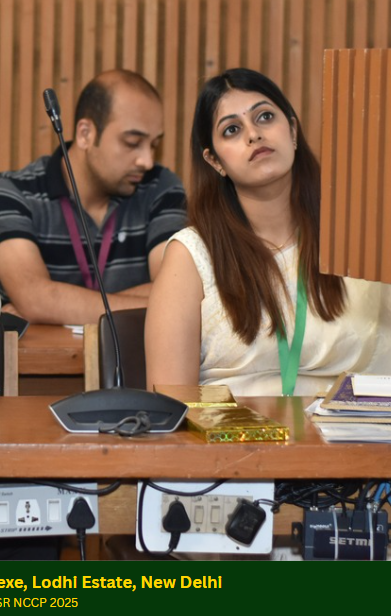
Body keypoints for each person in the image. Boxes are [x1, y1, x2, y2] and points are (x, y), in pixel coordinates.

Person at [145, 68, 391, 396]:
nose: (253, 134)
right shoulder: (192, 255)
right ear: (214, 161)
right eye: (232, 129)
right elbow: (171, 401)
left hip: (358, 426)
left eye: (264, 117)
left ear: (292, 130)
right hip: (236, 428)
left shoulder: (363, 233)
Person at [0, 69, 187, 325]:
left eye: (154, 144)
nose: (146, 161)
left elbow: (177, 291)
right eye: (133, 142)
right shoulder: (13, 192)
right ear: (85, 134)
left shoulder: (162, 187)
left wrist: (54, 305)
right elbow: (34, 299)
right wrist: (39, 303)